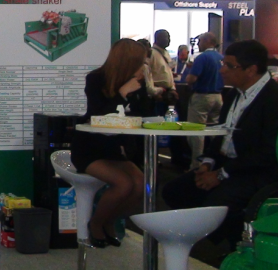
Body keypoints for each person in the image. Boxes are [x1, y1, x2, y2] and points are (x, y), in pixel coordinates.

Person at [163, 40, 278, 247]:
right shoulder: (234, 94)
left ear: (251, 70)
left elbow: (267, 152)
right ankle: (220, 238)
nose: (222, 70)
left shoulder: (272, 98)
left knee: (216, 204)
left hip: (256, 172)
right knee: (175, 191)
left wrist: (220, 174)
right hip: (226, 165)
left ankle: (241, 245)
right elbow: (222, 134)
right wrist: (207, 163)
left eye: (229, 66)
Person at [69, 39, 152, 247]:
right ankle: (96, 223)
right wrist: (122, 94)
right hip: (90, 148)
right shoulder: (96, 79)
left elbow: (143, 113)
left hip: (115, 148)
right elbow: (99, 115)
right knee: (123, 184)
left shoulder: (138, 83)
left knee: (141, 184)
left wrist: (145, 89)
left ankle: (110, 220)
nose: (144, 65)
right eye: (141, 61)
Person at [185, 32, 224, 168]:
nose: (198, 44)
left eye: (200, 41)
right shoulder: (221, 57)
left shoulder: (202, 58)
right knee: (215, 131)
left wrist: (189, 77)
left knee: (196, 131)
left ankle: (197, 164)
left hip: (202, 97)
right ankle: (216, 162)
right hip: (218, 97)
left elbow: (192, 78)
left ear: (208, 41)